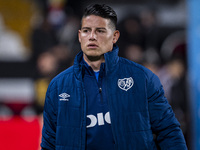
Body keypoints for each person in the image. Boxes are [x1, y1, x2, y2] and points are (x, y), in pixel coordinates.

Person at [41, 4, 187, 150]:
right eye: (86, 31)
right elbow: (49, 143)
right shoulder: (58, 86)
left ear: (115, 36)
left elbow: (168, 132)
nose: (92, 36)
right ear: (79, 36)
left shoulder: (142, 78)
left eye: (100, 31)